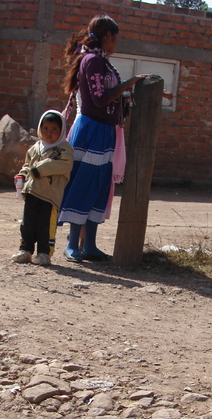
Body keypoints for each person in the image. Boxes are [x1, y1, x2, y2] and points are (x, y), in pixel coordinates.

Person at [58, 14, 146, 263]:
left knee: (99, 186)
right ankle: (73, 244)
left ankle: (91, 245)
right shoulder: (93, 61)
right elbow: (98, 99)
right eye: (115, 38)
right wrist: (128, 84)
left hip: (105, 131)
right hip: (91, 130)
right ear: (107, 37)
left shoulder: (102, 62)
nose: (117, 43)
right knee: (84, 183)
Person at [11, 110, 73, 266]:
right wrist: (23, 175)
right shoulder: (36, 147)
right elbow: (27, 165)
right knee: (28, 223)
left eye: (54, 129)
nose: (49, 133)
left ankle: (44, 253)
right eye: (45, 128)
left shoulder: (64, 149)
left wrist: (39, 169)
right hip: (32, 191)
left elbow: (63, 166)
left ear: (61, 131)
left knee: (45, 225)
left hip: (50, 196)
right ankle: (25, 250)